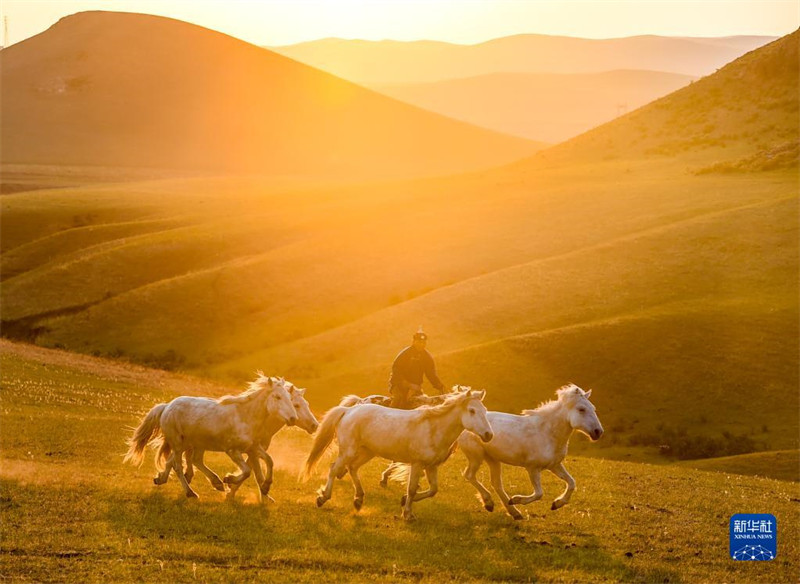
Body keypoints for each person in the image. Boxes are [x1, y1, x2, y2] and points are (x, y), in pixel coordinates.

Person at [388, 328, 444, 409]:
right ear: (413, 342)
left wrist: (439, 386)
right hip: (399, 384)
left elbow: (431, 374)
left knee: (421, 403)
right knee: (399, 400)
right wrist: (406, 384)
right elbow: (396, 369)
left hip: (415, 387)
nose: (421, 344)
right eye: (419, 342)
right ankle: (391, 417)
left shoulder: (426, 357)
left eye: (423, 342)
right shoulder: (405, 354)